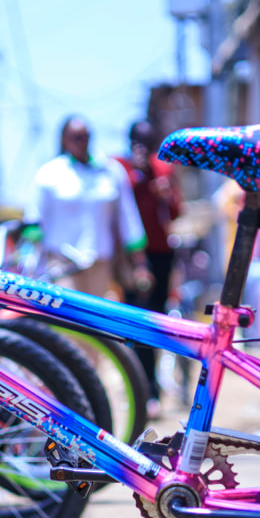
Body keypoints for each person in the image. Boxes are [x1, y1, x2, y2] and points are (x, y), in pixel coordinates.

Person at [28, 116, 151, 297]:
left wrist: (140, 264)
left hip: (99, 260)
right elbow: (33, 222)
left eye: (85, 136)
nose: (81, 142)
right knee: (66, 314)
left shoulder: (110, 171)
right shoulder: (49, 173)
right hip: (62, 261)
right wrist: (32, 267)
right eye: (75, 137)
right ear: (64, 139)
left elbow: (128, 218)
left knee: (93, 320)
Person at [116, 119, 182, 417]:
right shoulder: (122, 169)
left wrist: (164, 194)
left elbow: (177, 211)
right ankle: (141, 388)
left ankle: (154, 390)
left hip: (160, 254)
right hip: (131, 257)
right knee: (135, 323)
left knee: (156, 321)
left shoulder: (164, 168)